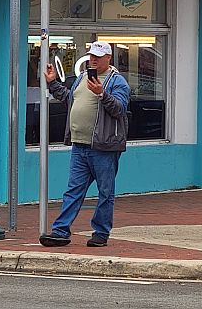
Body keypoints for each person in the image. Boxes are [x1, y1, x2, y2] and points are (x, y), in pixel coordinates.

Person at [39, 41, 130, 248]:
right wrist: (53, 83)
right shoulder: (82, 77)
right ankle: (61, 231)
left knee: (105, 191)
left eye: (98, 56)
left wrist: (101, 93)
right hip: (79, 145)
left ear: (109, 58)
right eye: (91, 56)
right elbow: (69, 99)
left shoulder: (118, 82)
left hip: (104, 147)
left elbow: (119, 109)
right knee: (73, 190)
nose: (93, 60)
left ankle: (101, 232)